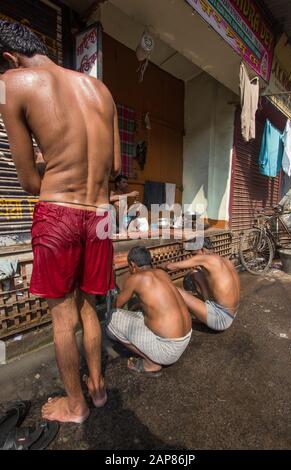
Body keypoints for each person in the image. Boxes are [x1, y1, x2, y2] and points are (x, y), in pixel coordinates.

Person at [0, 20, 121, 424]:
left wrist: (43, 160)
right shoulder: (101, 90)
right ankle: (98, 389)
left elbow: (31, 183)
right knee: (89, 307)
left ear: (8, 58)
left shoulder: (12, 83)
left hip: (60, 211)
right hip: (101, 214)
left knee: (63, 317)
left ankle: (75, 405)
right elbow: (116, 166)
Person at [106, 246, 192, 376]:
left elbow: (117, 305)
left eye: (130, 268)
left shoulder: (136, 278)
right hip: (185, 339)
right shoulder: (162, 273)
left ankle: (151, 363)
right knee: (139, 312)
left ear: (133, 265)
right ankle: (154, 355)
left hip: (168, 350)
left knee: (111, 319)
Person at [164, 239, 240, 331]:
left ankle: (171, 320)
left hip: (221, 318)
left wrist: (154, 269)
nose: (193, 257)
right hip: (232, 313)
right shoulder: (225, 261)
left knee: (173, 289)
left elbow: (170, 267)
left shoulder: (207, 259)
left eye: (194, 254)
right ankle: (205, 312)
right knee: (196, 273)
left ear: (203, 250)